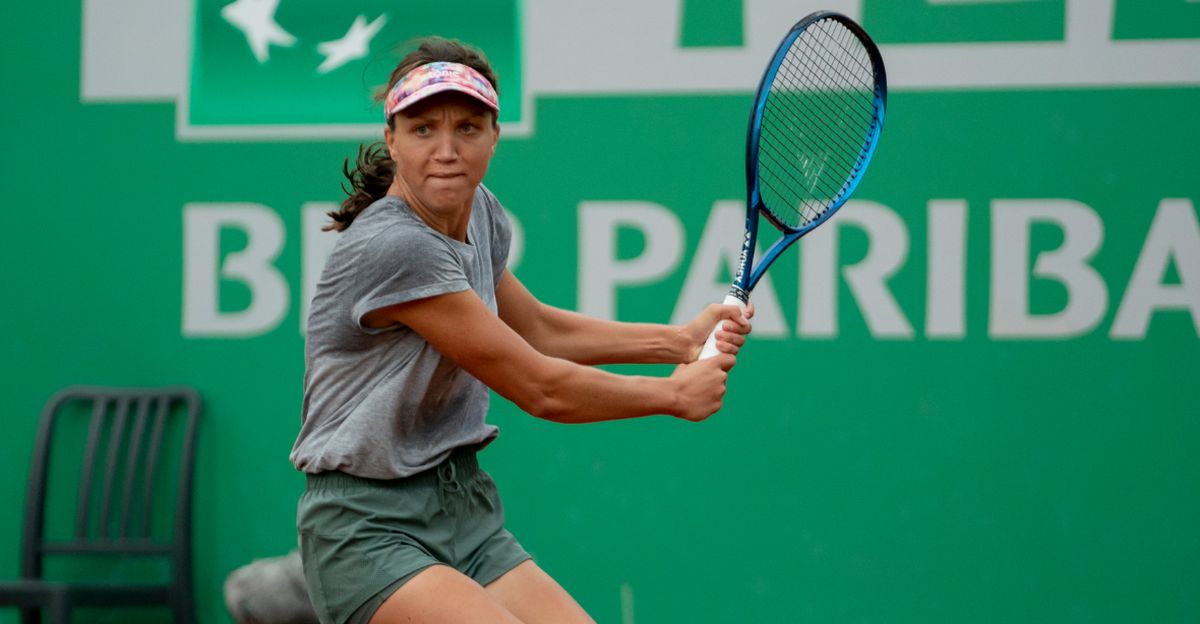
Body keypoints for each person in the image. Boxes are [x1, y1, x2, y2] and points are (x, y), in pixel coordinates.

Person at [289, 37, 753, 624]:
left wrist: (677, 341)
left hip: (463, 512)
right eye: (423, 129)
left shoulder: (481, 210)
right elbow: (540, 386)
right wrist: (672, 395)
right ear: (392, 138)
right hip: (367, 530)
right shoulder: (395, 245)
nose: (447, 150)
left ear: (494, 135)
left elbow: (534, 327)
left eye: (468, 127)